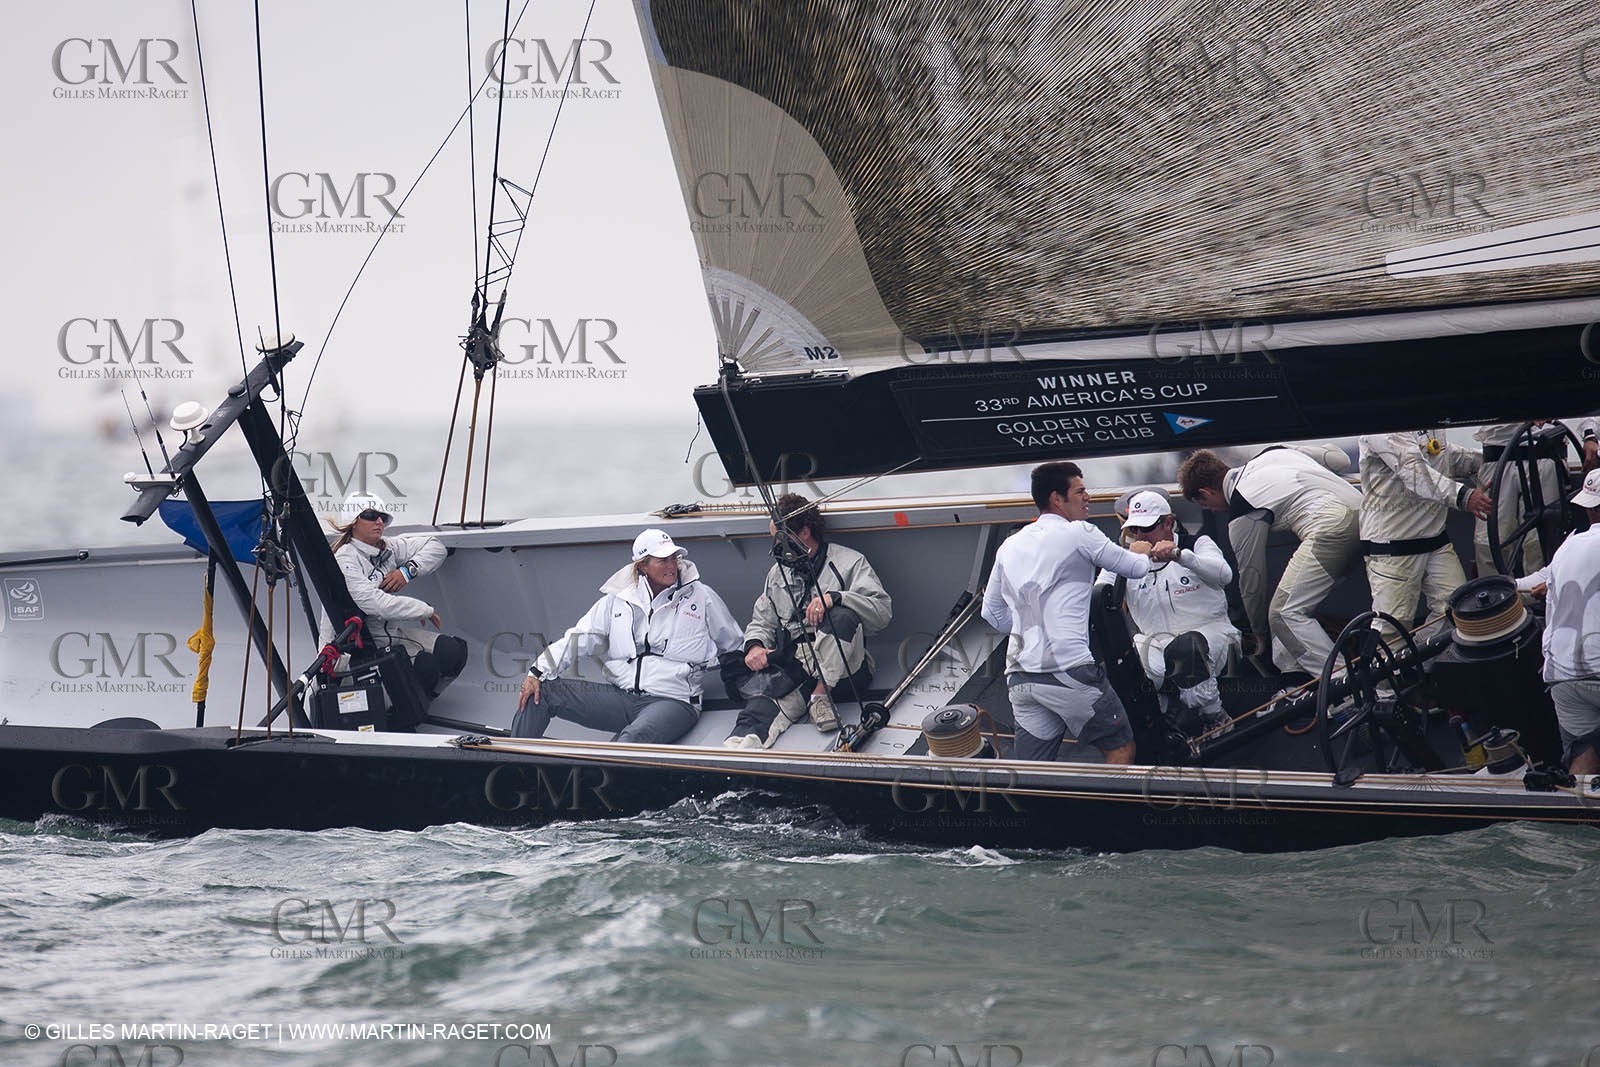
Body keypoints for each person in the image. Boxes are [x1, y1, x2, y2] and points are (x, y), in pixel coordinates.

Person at [982, 461, 1177, 763]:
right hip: (1069, 671)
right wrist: (1139, 550)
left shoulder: (1009, 545)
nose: (1088, 497)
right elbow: (1135, 568)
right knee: (1121, 748)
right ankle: (1114, 811)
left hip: (1020, 676)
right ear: (1057, 499)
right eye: (1081, 491)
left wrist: (1032, 631)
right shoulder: (1081, 532)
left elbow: (991, 614)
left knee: (1032, 768)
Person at [514, 529, 744, 745]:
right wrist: (537, 671)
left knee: (633, 738)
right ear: (642, 566)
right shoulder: (617, 600)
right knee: (541, 691)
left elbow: (733, 643)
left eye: (674, 558)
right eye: (663, 560)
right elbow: (579, 638)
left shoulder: (702, 597)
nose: (672, 565)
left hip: (674, 701)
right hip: (622, 698)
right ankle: (513, 766)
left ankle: (600, 777)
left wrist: (746, 686)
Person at [1177, 444, 1361, 680]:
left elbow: (1252, 581)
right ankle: (1296, 679)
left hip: (1333, 528)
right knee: (1288, 612)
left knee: (1282, 615)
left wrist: (1259, 634)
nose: (1211, 511)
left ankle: (1344, 685)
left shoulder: (1242, 508)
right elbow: (1340, 459)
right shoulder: (1275, 452)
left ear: (1206, 493)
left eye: (1205, 505)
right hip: (1365, 515)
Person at [724, 494, 893, 748]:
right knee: (758, 710)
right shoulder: (776, 575)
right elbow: (761, 621)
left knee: (842, 617)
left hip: (849, 670)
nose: (774, 546)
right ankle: (739, 754)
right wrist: (755, 646)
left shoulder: (850, 562)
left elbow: (882, 613)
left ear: (804, 532)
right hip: (799, 666)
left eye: (779, 538)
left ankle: (820, 696)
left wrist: (835, 598)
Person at [1095, 489, 1238, 734]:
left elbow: (1224, 575)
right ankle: (1157, 721)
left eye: (1147, 528)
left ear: (1168, 523)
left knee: (1185, 648)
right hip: (1156, 642)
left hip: (1210, 635)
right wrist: (1126, 565)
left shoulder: (1197, 543)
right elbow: (1099, 599)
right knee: (1119, 669)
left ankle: (1215, 716)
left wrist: (1180, 556)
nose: (1140, 535)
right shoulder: (1125, 558)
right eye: (1135, 530)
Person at [321, 493, 466, 701]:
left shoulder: (388, 547)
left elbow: (436, 547)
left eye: (383, 517)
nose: (379, 521)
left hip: (388, 635)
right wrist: (425, 610)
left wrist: (406, 572)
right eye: (371, 516)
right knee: (426, 667)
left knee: (453, 652)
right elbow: (375, 604)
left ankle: (419, 703)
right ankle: (397, 714)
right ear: (353, 522)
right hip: (350, 653)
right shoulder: (345, 559)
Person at [1358, 430, 1490, 636]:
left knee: (1456, 611)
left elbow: (1442, 455)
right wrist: (1464, 496)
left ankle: (1421, 661)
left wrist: (1494, 457)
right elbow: (1414, 472)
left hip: (1435, 541)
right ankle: (1391, 666)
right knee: (1392, 628)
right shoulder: (1382, 425)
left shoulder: (1429, 422)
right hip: (1393, 547)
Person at [1515, 468, 1600, 775]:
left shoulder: (1568, 547)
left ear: (1589, 508)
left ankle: (1581, 815)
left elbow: (1538, 580)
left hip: (1563, 675)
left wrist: (1502, 588)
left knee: (1583, 753)